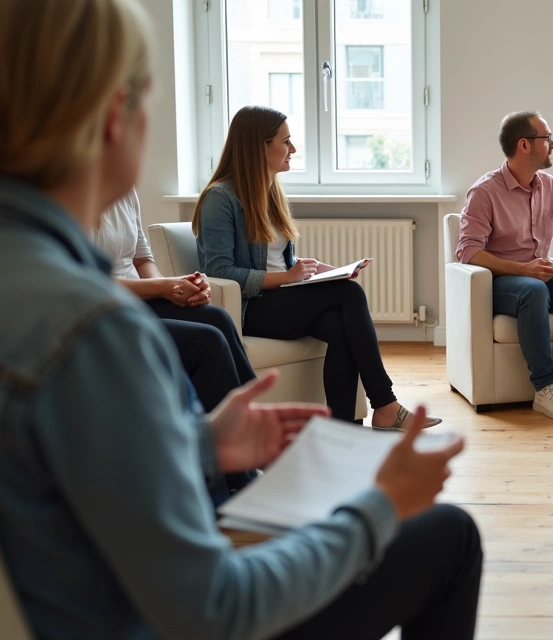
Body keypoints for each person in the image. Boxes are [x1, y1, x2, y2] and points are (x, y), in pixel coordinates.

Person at [0, 2, 481, 639]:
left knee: (340, 309)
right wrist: (380, 507)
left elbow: (70, 464)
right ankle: (366, 428)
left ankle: (346, 428)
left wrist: (197, 444)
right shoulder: (95, 331)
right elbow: (217, 612)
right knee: (448, 535)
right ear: (116, 115)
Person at [194, 105, 439, 428]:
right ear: (260, 146)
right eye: (286, 141)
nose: (293, 149)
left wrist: (309, 268)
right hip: (248, 310)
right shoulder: (220, 198)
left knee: (338, 326)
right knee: (348, 294)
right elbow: (221, 273)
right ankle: (385, 404)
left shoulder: (269, 192)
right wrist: (287, 276)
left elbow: (273, 258)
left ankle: (343, 428)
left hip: (277, 299)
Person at [455, 111, 553, 421]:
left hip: (540, 277)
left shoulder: (549, 186)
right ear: (524, 145)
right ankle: (545, 388)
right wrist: (523, 269)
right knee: (534, 291)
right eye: (548, 138)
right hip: (502, 284)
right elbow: (468, 252)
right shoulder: (484, 192)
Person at [92, 188, 258, 411]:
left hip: (138, 299)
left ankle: (251, 414)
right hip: (103, 309)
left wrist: (176, 288)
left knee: (217, 317)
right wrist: (163, 287)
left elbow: (142, 259)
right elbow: (86, 281)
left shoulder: (126, 191)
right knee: (208, 340)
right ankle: (229, 435)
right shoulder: (73, 193)